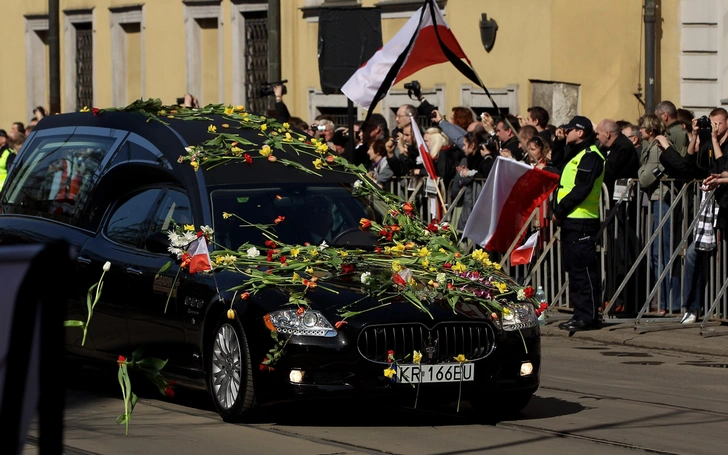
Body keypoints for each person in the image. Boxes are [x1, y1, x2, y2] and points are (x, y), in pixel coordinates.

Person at [554, 116, 605, 332]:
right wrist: (558, 142)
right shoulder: (577, 153)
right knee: (574, 271)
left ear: (580, 132)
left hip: (582, 220)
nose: (566, 133)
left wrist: (560, 210)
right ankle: (579, 314)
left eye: (569, 130)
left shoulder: (591, 156)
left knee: (583, 271)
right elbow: (557, 165)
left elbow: (581, 189)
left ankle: (588, 316)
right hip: (572, 220)